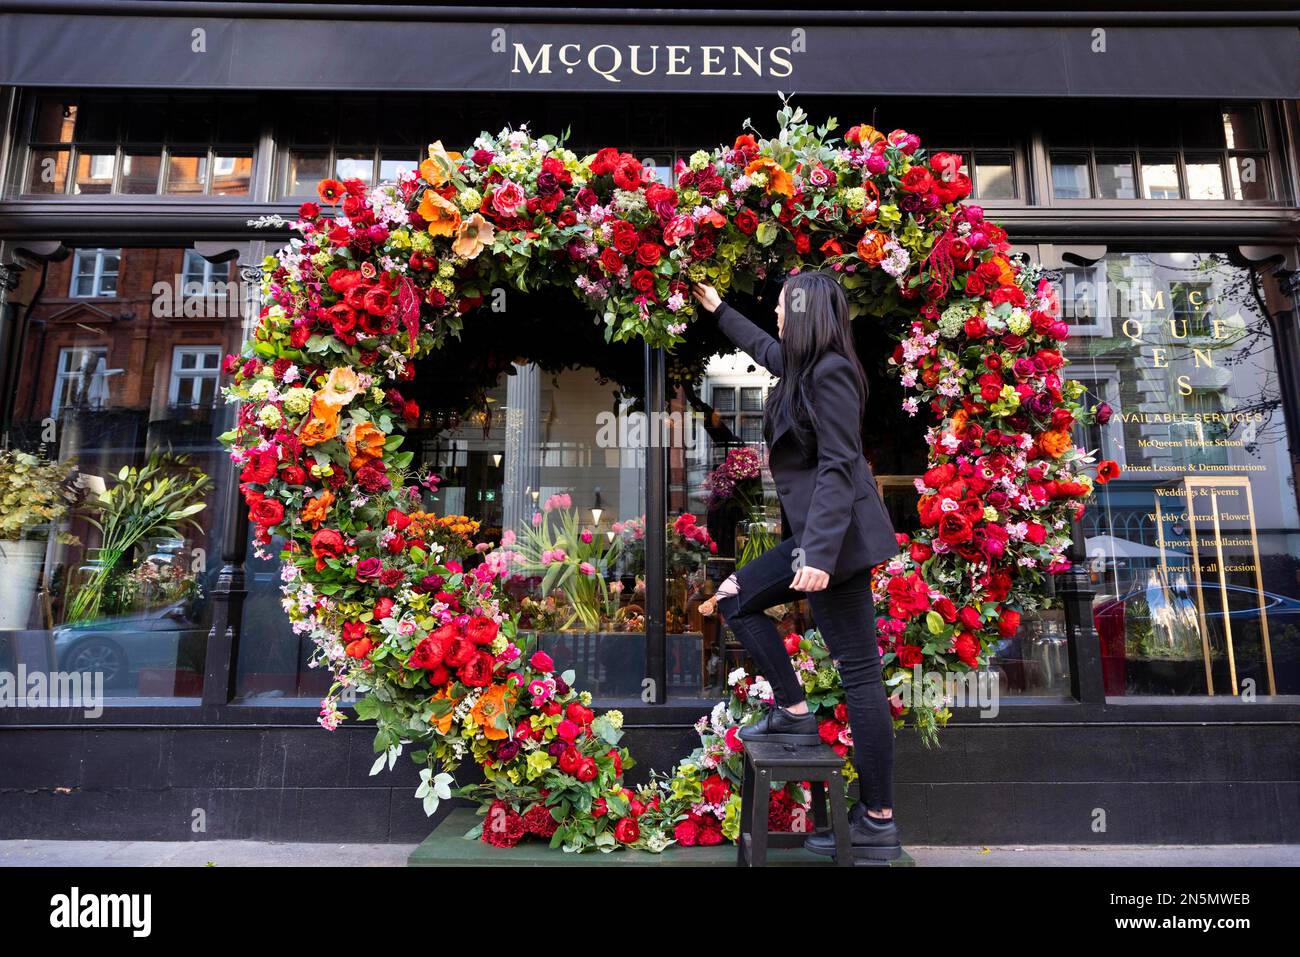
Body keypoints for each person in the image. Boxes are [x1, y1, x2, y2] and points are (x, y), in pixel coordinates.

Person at [691, 273, 903, 862]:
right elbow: (765, 348)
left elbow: (839, 464)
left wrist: (820, 555)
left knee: (860, 674)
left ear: (805, 313)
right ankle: (791, 710)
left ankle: (878, 822)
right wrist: (718, 308)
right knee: (735, 598)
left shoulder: (831, 372)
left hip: (835, 544)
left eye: (782, 307)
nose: (777, 316)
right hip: (817, 538)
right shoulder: (803, 366)